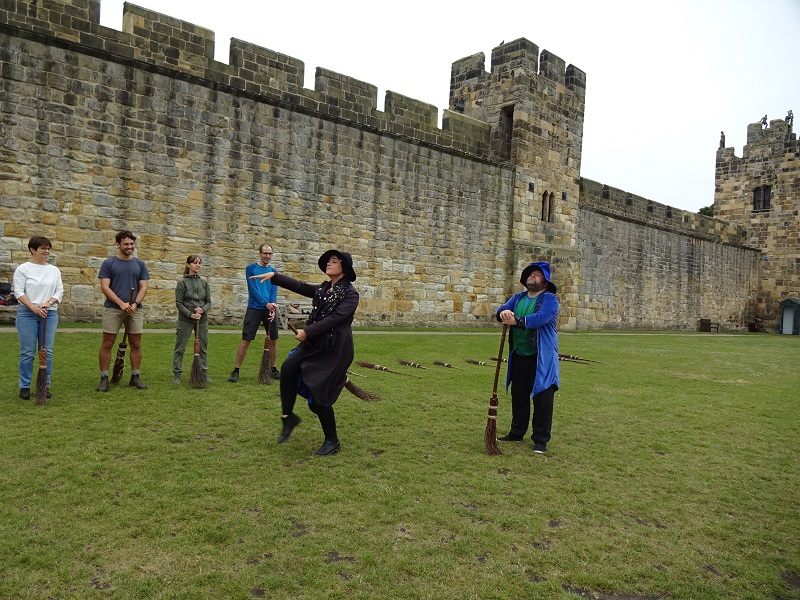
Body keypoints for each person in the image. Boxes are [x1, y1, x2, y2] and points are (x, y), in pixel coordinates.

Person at [250, 249, 359, 456]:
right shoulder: (325, 288)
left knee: (319, 400)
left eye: (334, 261)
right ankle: (288, 417)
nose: (329, 263)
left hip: (335, 350)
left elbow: (335, 319)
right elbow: (301, 287)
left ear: (343, 267)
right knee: (288, 366)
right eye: (328, 261)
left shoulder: (351, 294)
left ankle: (332, 441)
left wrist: (307, 331)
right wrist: (275, 276)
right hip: (315, 343)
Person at [496, 261, 560, 454]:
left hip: (541, 358)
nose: (533, 276)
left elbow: (541, 318)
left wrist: (518, 320)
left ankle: (541, 440)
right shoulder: (518, 298)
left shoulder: (550, 299)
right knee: (519, 395)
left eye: (538, 274)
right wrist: (504, 312)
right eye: (531, 273)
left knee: (542, 397)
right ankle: (516, 432)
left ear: (545, 282)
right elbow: (501, 310)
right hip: (519, 355)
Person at [97, 230, 150, 392]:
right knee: (108, 343)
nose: (129, 247)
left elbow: (144, 287)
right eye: (126, 244)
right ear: (118, 244)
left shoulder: (140, 264)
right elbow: (105, 287)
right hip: (113, 309)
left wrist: (134, 304)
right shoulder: (109, 264)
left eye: (132, 244)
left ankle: (135, 377)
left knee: (135, 343)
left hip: (134, 310)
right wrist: (121, 303)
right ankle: (104, 378)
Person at [13, 236, 64, 400]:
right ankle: (25, 386)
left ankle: (44, 385)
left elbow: (59, 291)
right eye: (43, 248)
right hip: (27, 313)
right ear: (32, 250)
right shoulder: (23, 269)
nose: (46, 251)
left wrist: (48, 303)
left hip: (49, 313)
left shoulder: (54, 270)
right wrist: (33, 307)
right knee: (27, 352)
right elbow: (19, 292)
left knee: (46, 351)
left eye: (48, 248)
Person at [227, 243, 280, 383]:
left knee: (273, 340)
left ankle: (273, 369)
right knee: (246, 339)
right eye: (265, 253)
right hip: (255, 308)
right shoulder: (251, 269)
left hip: (270, 309)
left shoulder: (273, 271)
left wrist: (272, 305)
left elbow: (274, 290)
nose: (267, 256)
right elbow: (253, 290)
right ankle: (236, 370)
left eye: (270, 254)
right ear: (260, 253)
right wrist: (265, 304)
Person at [173, 255, 211, 384]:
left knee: (203, 347)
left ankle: (203, 373)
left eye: (199, 263)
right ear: (188, 265)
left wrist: (203, 310)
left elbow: (208, 302)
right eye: (195, 263)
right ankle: (177, 374)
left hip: (202, 319)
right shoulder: (182, 283)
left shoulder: (204, 283)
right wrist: (190, 314)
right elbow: (179, 303)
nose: (198, 265)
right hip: (186, 320)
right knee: (180, 347)